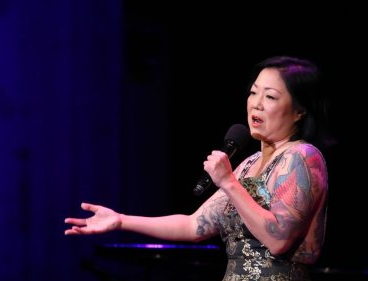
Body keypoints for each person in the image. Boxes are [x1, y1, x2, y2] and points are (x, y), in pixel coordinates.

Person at [65, 56, 330, 281]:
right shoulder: (247, 166)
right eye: (253, 92)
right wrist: (121, 220)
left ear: (299, 111)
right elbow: (194, 226)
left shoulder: (303, 156)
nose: (256, 103)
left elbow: (278, 240)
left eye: (270, 96)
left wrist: (228, 182)